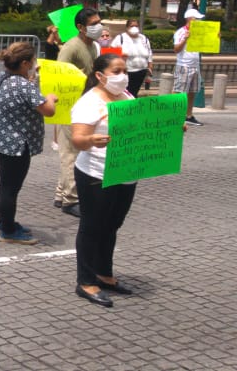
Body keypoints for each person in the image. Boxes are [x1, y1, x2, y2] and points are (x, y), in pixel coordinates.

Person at [70, 53, 174, 307]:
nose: (123, 76)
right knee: (92, 226)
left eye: (124, 71)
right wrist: (91, 140)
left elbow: (141, 126)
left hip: (126, 171)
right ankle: (86, 281)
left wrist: (171, 128)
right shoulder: (89, 102)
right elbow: (78, 140)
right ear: (99, 75)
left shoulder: (127, 97)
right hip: (96, 174)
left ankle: (103, 273)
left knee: (112, 224)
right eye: (116, 71)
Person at [0, 42, 57, 244]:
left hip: (2, 140)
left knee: (5, 184)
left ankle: (5, 222)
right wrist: (50, 98)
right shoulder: (24, 86)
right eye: (32, 61)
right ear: (25, 63)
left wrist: (31, 79)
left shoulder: (3, 77)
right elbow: (48, 110)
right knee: (10, 188)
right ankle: (8, 230)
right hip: (17, 145)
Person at [54, 7, 102, 217]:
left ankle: (61, 194)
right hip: (70, 106)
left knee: (72, 151)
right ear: (81, 27)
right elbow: (58, 75)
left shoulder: (93, 46)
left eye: (99, 22)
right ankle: (71, 200)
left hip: (83, 105)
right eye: (93, 24)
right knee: (71, 153)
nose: (98, 27)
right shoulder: (71, 47)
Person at [174, 8, 206, 126]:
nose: (198, 21)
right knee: (179, 92)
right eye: (196, 18)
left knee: (192, 92)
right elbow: (176, 49)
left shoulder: (198, 33)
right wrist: (185, 39)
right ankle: (175, 115)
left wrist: (215, 38)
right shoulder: (180, 32)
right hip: (184, 65)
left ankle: (189, 115)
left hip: (195, 65)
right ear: (189, 19)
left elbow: (206, 47)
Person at [110, 19, 154, 97]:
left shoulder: (144, 38)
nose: (134, 28)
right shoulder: (120, 38)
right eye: (132, 26)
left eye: (136, 26)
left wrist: (150, 67)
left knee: (134, 92)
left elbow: (149, 54)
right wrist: (121, 54)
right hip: (127, 71)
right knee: (125, 93)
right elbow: (111, 51)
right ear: (127, 27)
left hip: (141, 71)